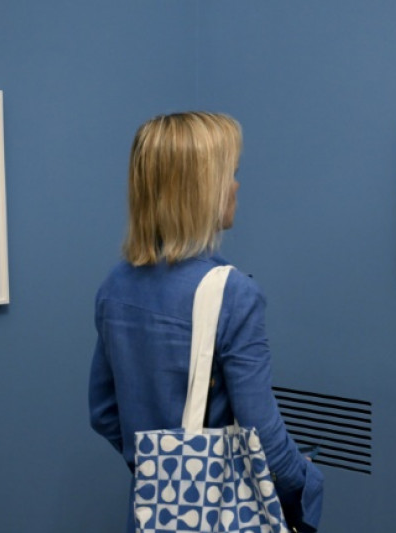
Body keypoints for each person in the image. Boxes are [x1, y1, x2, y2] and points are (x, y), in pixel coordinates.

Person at [89, 112, 323, 533]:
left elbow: (105, 413)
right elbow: (263, 435)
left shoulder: (115, 285)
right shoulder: (232, 293)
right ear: (203, 191)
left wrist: (163, 471)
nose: (236, 186)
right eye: (230, 174)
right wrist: (305, 480)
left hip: (155, 515)